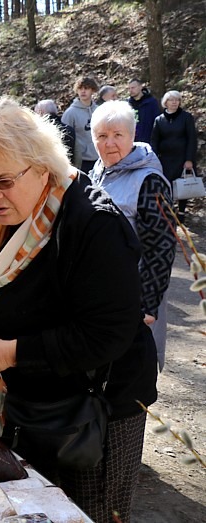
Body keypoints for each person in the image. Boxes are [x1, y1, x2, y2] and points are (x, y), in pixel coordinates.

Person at [0, 97, 157, 522]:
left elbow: (108, 333)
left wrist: (12, 352)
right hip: (23, 401)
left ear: (42, 164)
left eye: (4, 182)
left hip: (92, 411)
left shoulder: (93, 223)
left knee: (83, 513)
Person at [90, 101, 177, 371]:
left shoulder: (149, 181)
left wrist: (147, 305)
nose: (110, 143)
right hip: (99, 296)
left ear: (132, 135)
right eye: (102, 136)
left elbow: (162, 246)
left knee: (128, 380)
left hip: (133, 301)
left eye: (118, 135)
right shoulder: (97, 172)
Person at [151, 90, 198, 223]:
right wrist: (153, 158)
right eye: (171, 100)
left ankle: (181, 212)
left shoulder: (186, 117)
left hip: (182, 158)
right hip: (165, 159)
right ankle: (169, 210)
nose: (174, 102)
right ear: (165, 103)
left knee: (184, 184)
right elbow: (154, 140)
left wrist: (189, 159)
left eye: (177, 100)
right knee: (167, 185)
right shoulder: (159, 120)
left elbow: (192, 139)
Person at [61, 76, 99, 173]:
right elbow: (65, 138)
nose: (83, 91)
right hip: (81, 161)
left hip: (99, 157)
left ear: (92, 90)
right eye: (80, 89)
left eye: (86, 88)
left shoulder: (98, 110)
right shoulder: (70, 113)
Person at [34, 99, 76, 163]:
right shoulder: (70, 129)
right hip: (70, 168)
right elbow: (77, 153)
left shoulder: (40, 131)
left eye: (36, 113)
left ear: (41, 112)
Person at [127, 78, 160, 144]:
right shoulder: (127, 104)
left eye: (133, 88)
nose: (131, 90)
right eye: (129, 88)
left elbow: (156, 122)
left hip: (148, 140)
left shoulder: (151, 102)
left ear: (140, 87)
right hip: (131, 141)